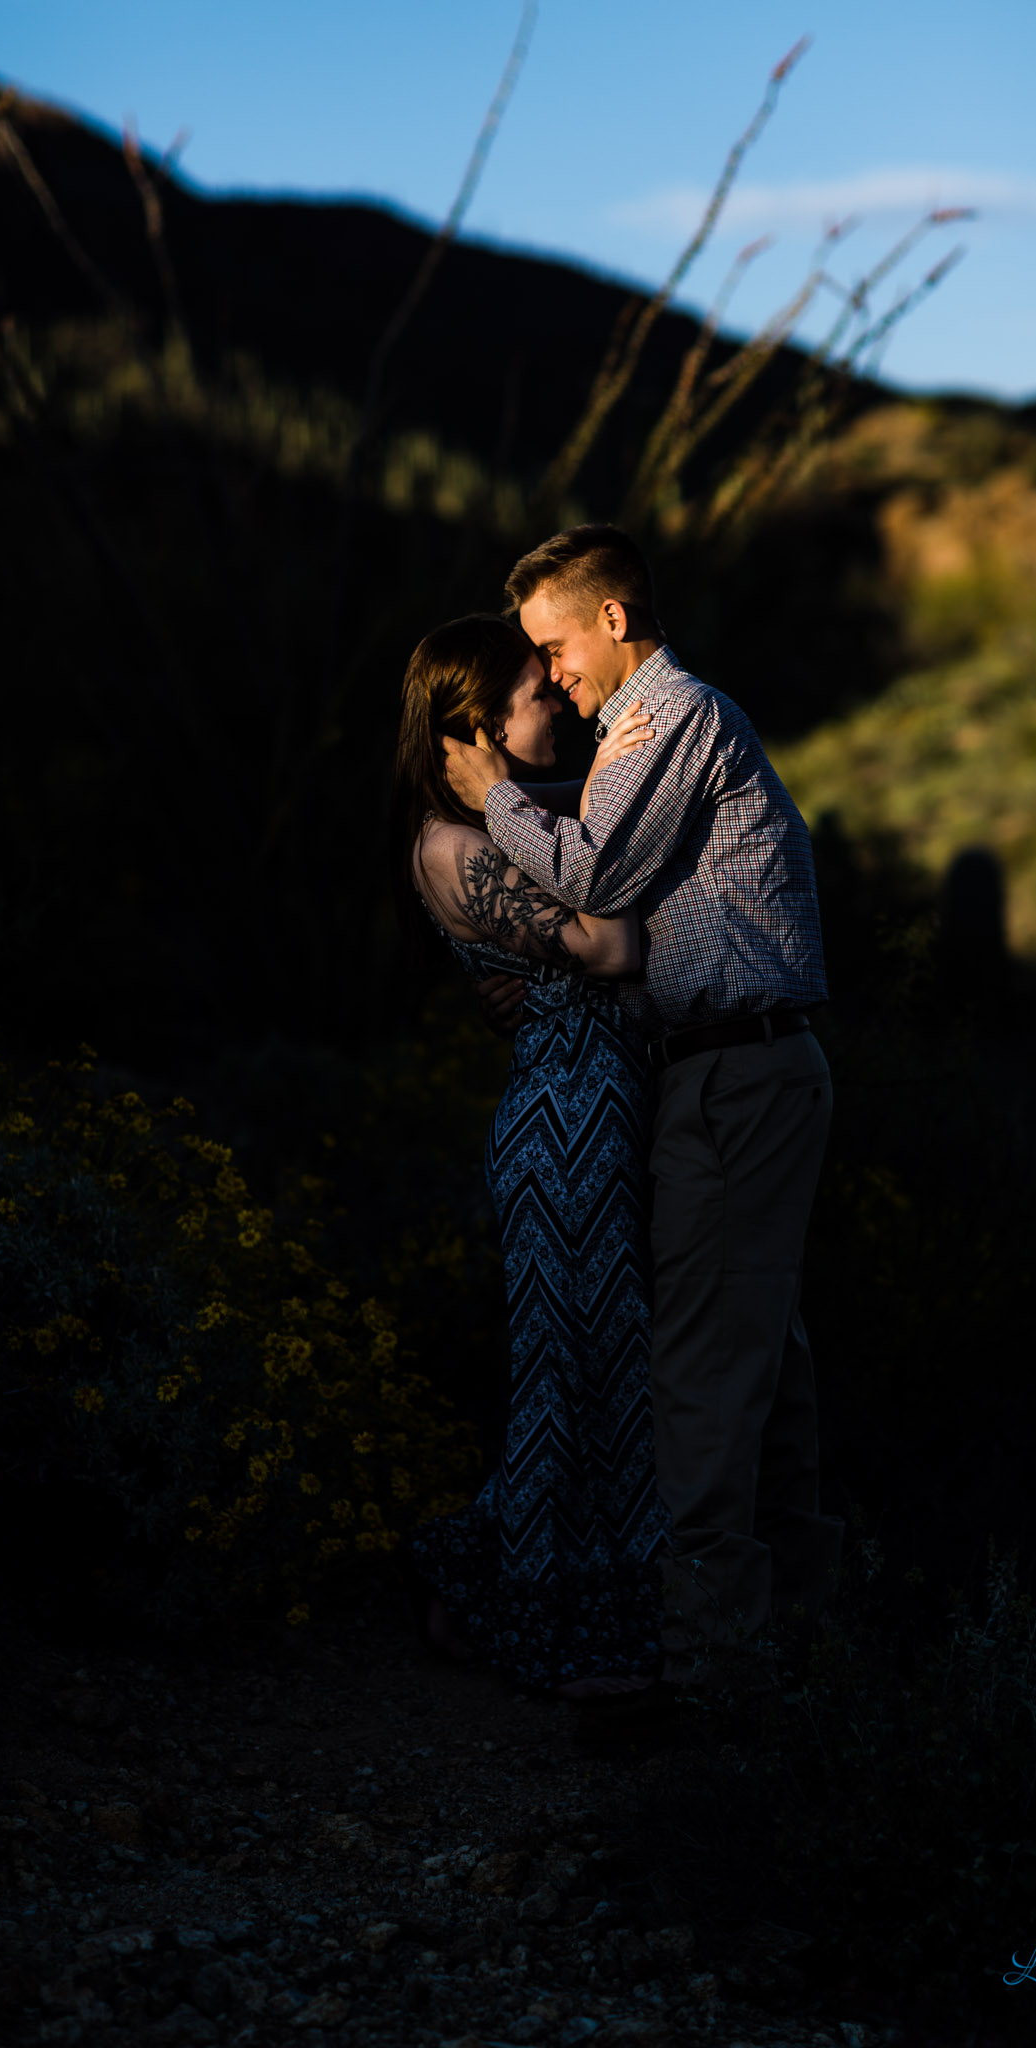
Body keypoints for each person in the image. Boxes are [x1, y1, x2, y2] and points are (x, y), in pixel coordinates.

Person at [443, 526, 841, 1699]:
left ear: (613, 620)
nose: (552, 673)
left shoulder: (672, 719)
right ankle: (802, 1651)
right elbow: (599, 847)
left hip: (733, 1073)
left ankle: (706, 1668)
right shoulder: (636, 738)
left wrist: (492, 794)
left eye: (555, 646)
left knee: (706, 1366)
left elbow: (600, 873)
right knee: (766, 1358)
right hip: (738, 1070)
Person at [389, 613, 669, 1699]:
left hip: (598, 1111)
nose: (557, 701)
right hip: (564, 1129)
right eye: (534, 695)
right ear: (475, 728)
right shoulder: (451, 846)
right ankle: (531, 1605)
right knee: (578, 1379)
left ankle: (503, 1596)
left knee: (608, 1370)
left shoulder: (509, 831)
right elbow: (610, 943)